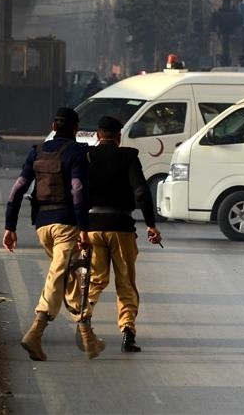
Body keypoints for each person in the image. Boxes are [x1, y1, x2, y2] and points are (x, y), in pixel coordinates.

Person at [1, 107, 105, 361]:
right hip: (67, 226)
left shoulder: (36, 151)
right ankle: (35, 332)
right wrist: (83, 228)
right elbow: (78, 190)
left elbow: (18, 189)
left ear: (53, 125)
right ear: (76, 129)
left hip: (42, 226)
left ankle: (88, 337)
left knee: (68, 276)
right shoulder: (78, 152)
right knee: (58, 276)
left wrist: (10, 226)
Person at [83, 116, 162, 353]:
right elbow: (141, 191)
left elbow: (77, 191)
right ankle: (127, 332)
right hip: (121, 226)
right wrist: (150, 224)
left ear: (98, 135)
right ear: (118, 137)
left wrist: (80, 226)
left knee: (96, 279)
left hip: (93, 225)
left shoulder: (87, 157)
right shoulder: (128, 157)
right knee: (125, 281)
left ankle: (84, 319)